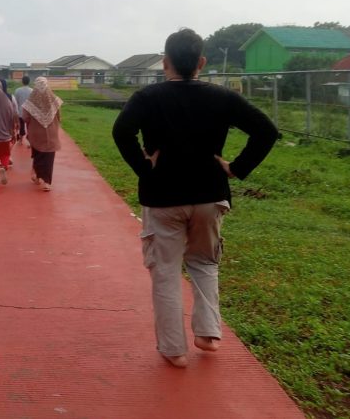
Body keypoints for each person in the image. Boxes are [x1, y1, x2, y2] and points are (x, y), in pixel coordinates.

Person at [112, 28, 279, 368]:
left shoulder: (147, 97)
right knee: (204, 263)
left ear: (165, 62)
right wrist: (236, 167)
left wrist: (144, 167)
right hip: (210, 196)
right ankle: (208, 333)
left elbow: (121, 131)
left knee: (166, 272)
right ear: (202, 62)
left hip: (162, 198)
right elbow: (267, 130)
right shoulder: (223, 98)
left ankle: (174, 350)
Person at [22, 76, 63, 191]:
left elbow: (25, 117)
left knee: (37, 154)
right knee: (49, 157)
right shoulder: (54, 99)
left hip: (35, 133)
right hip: (51, 134)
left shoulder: (31, 101)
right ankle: (47, 183)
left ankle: (38, 176)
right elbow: (59, 116)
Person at [13, 76, 33, 147]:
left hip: (20, 112)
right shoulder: (32, 91)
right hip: (29, 112)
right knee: (29, 127)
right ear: (29, 82)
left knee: (21, 126)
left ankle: (20, 141)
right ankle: (30, 143)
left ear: (22, 81)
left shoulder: (17, 90)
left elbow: (15, 102)